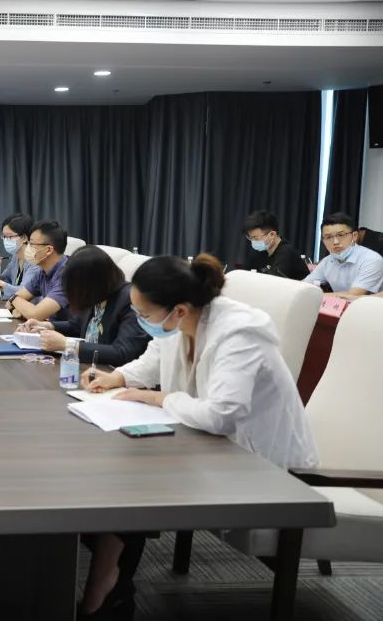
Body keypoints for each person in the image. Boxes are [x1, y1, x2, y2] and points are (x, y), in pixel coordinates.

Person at [80, 254, 317, 619]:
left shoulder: (239, 333)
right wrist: (119, 377)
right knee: (116, 471)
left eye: (144, 314)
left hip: (261, 465)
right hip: (209, 446)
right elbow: (154, 357)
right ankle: (109, 584)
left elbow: (222, 414)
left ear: (179, 310)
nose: (140, 320)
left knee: (130, 482)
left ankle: (106, 588)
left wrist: (160, 398)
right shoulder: (183, 318)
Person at [19, 245, 148, 367]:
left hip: (113, 373)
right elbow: (76, 325)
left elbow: (123, 352)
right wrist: (47, 326)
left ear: (93, 282)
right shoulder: (98, 295)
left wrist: (68, 344)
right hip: (89, 367)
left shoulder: (130, 300)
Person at [304, 212, 383, 298]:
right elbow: (304, 285)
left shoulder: (372, 260)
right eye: (328, 237)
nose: (335, 242)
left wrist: (315, 295)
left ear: (354, 236)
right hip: (338, 305)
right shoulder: (327, 261)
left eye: (341, 235)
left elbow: (352, 296)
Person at [7, 219, 69, 321]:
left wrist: (14, 299)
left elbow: (35, 315)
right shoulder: (42, 272)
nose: (27, 248)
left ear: (48, 250)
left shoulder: (68, 275)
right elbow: (10, 303)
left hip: (66, 331)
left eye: (32, 244)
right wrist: (17, 306)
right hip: (48, 327)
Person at [242, 209, 309, 279]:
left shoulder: (286, 253)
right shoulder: (261, 251)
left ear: (272, 234)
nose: (253, 242)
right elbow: (243, 274)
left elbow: (274, 282)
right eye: (250, 238)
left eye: (256, 238)